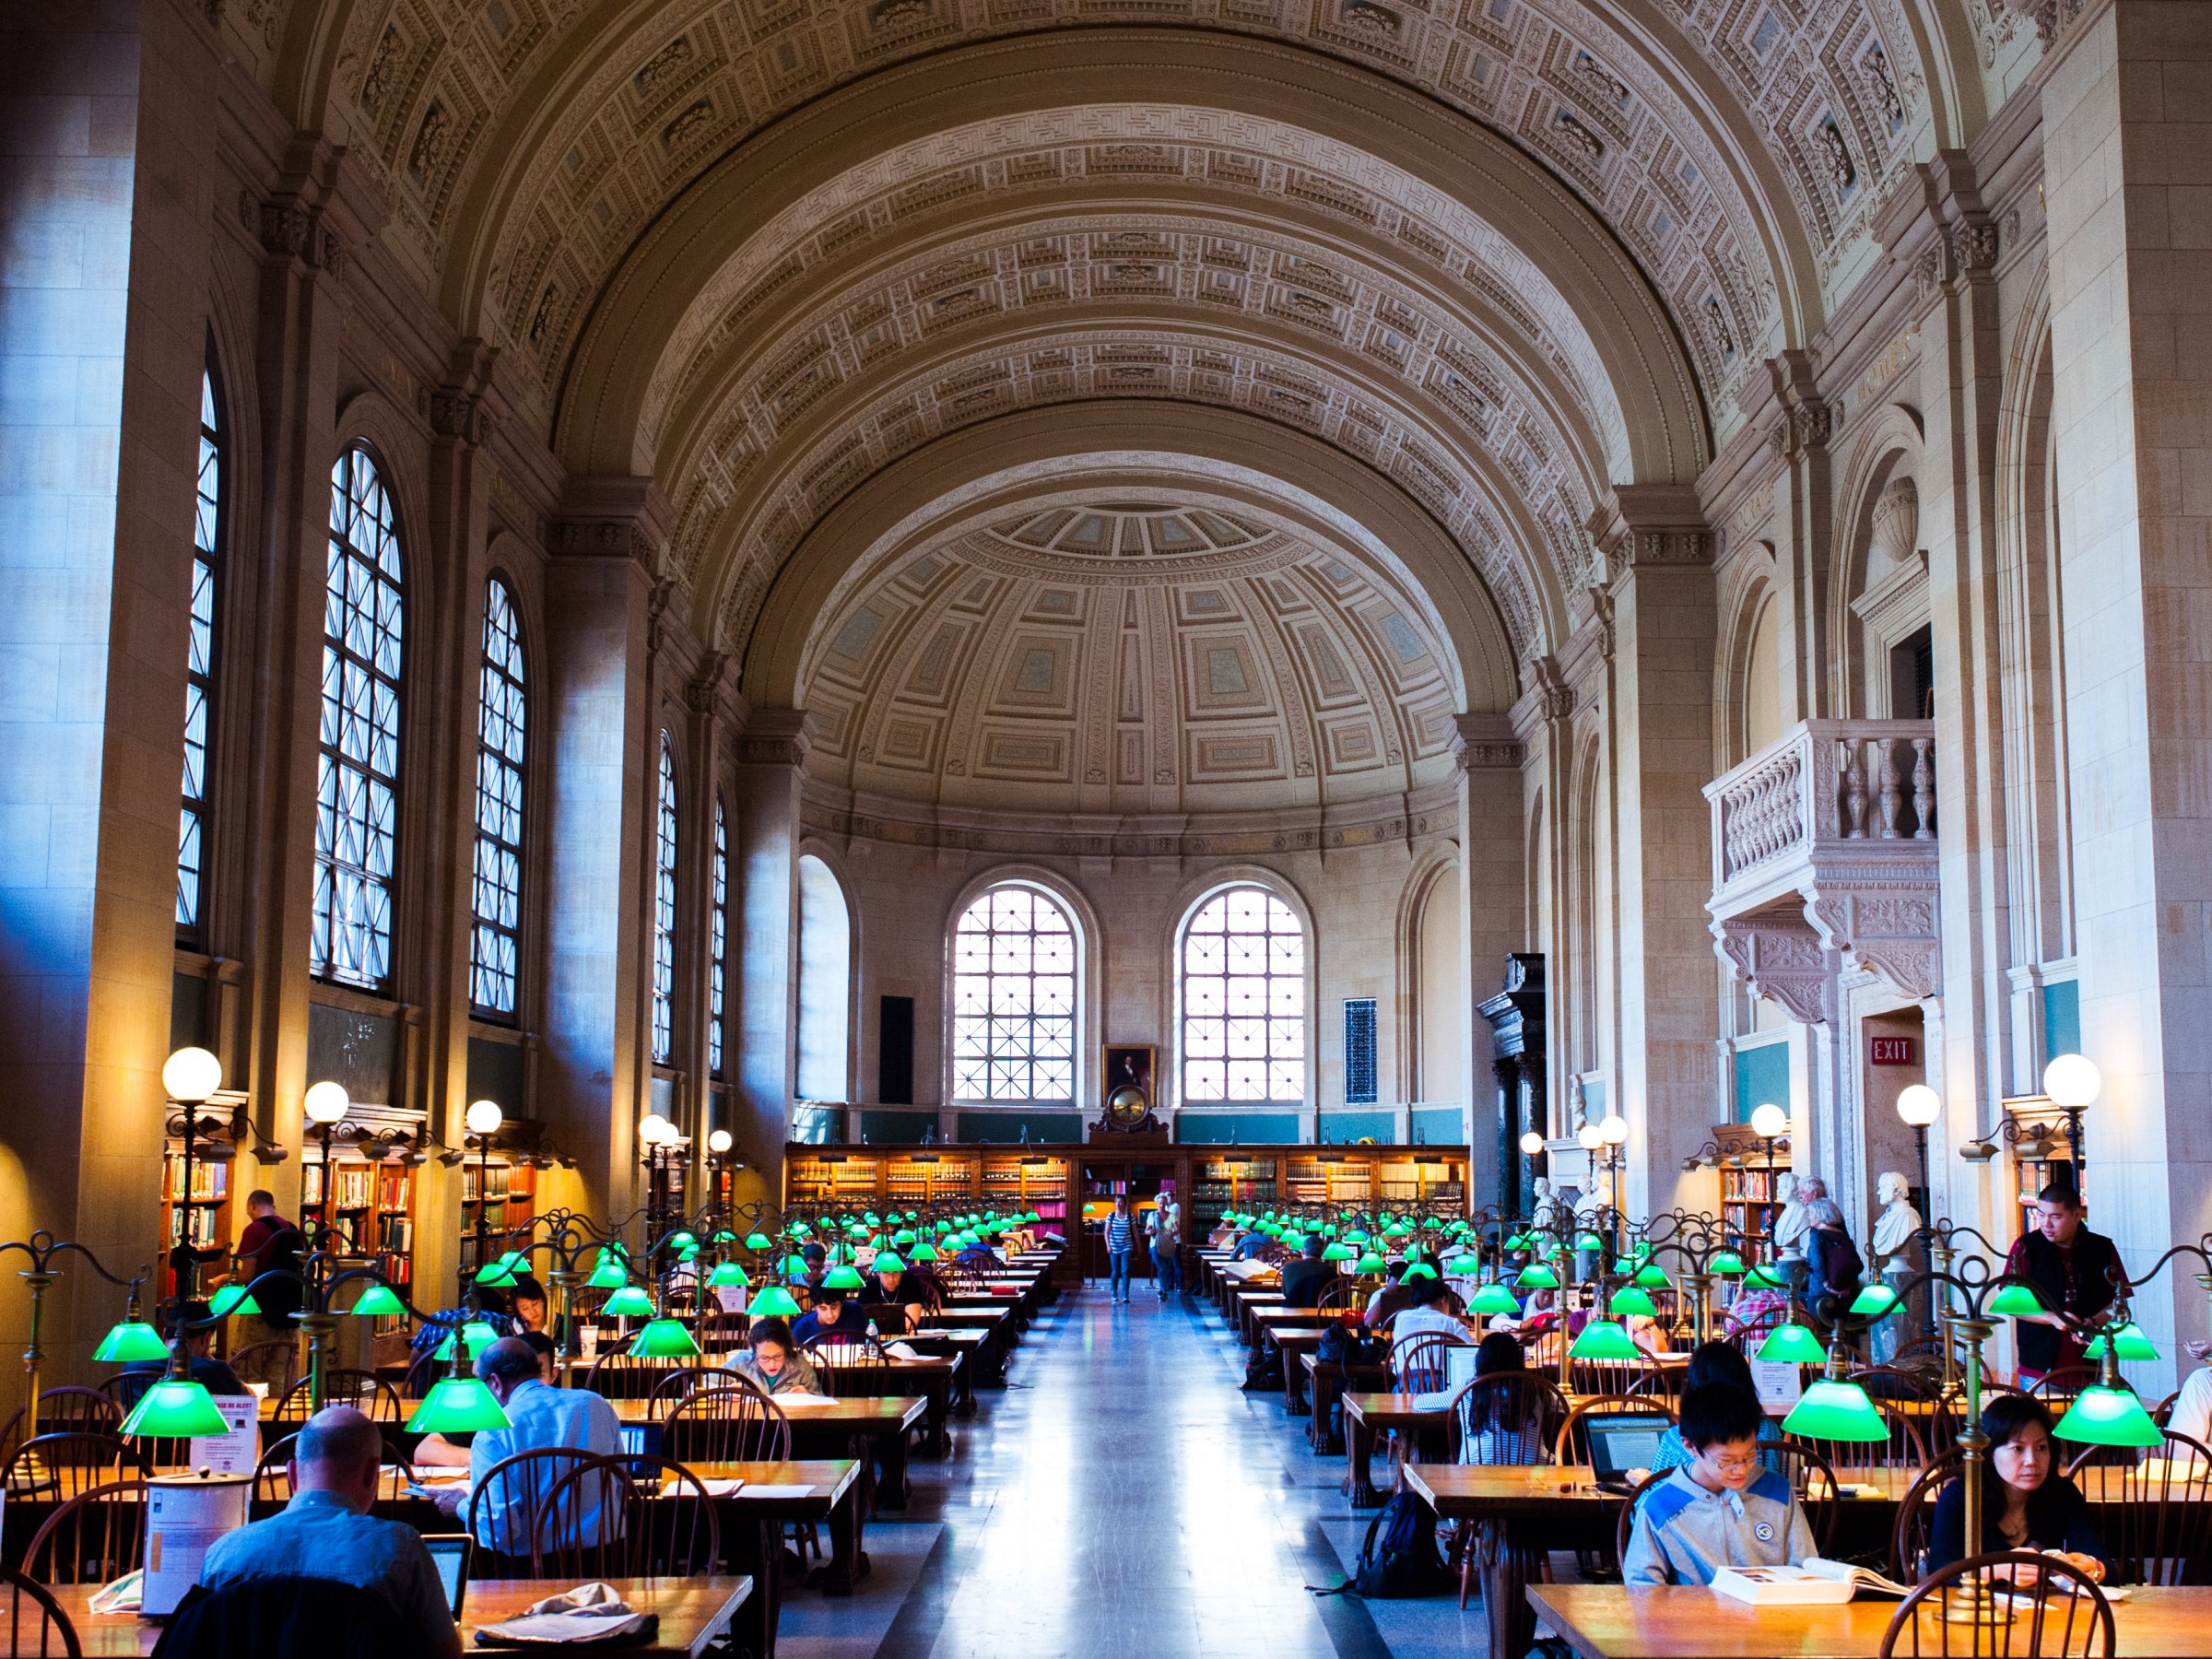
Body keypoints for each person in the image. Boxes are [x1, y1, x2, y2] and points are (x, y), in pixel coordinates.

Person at [200, 1405, 463, 1659]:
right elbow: (445, 1654)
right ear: (373, 1472)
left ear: (292, 1473)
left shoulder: (224, 1554)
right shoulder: (401, 1549)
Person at [433, 1337, 621, 1552]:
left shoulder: (493, 1432)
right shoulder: (596, 1404)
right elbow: (620, 1484)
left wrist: (462, 1506)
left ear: (494, 1382)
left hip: (528, 1569)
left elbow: (498, 1533)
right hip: (607, 1562)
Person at [1621, 1383, 1817, 1585]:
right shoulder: (1661, 1505)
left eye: (1750, 1455)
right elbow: (1641, 1589)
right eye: (1726, 1461)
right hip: (1695, 1615)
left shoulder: (1776, 1490)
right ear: (1690, 1446)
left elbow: (1806, 1569)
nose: (1741, 1469)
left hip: (1771, 1614)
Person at [1926, 1394, 2111, 1579]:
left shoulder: (2062, 1493)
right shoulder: (1962, 1495)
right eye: (2017, 1448)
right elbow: (1939, 1571)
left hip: (2047, 1606)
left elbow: (2107, 1566)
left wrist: (2095, 1570)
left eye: (2041, 1448)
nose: (2031, 1461)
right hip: (1977, 1606)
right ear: (1988, 1452)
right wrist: (1996, 1570)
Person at [2005, 1182, 2124, 1382]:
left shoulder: (2101, 1248)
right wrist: (2051, 1317)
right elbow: (2009, 1303)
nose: (2045, 1224)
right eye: (2041, 1215)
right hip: (2039, 1366)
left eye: (2055, 1217)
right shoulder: (2026, 1247)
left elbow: (2119, 1304)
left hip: (2093, 1367)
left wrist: (2093, 1322)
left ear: (2077, 1216)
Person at [1648, 1341, 1784, 1473]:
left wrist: (1641, 1481)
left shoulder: (1675, 1438)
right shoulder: (1769, 1430)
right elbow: (1776, 1475)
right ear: (1746, 1383)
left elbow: (1654, 1489)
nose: (1740, 1469)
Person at [230, 1190, 303, 1385]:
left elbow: (248, 1275)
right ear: (273, 1206)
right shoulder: (291, 1229)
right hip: (289, 1315)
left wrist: (224, 1280)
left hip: (260, 1313)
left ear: (252, 1205)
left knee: (249, 1373)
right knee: (280, 1377)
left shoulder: (254, 1230)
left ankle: (255, 1416)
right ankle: (276, 1414)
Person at [118, 1299, 248, 1401]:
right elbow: (249, 1402)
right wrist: (210, 1359)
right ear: (208, 1338)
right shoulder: (215, 1370)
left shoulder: (131, 1367)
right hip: (195, 1435)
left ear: (164, 1335)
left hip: (140, 1435)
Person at [1457, 1332, 1545, 1464]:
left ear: (1481, 1360)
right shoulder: (1537, 1388)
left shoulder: (1468, 1388)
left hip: (1476, 1473)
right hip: (1533, 1473)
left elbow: (1421, 1404)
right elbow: (1565, 1403)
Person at [730, 1317, 826, 1398]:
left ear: (787, 1351)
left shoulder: (800, 1364)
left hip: (788, 1419)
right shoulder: (742, 1362)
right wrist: (726, 1393)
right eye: (764, 1358)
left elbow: (822, 1399)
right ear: (755, 1353)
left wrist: (809, 1395)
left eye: (778, 1356)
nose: (772, 1364)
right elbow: (714, 1382)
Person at [1802, 1198, 1864, 1311]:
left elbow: (1817, 1262)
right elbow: (1853, 1263)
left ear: (1819, 1215)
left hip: (1820, 1292)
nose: (1809, 1217)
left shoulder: (1816, 1234)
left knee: (1818, 1327)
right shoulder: (1842, 1234)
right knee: (1841, 1326)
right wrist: (1848, 1288)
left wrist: (1827, 1286)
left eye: (1811, 1214)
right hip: (1845, 1293)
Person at [1387, 1273, 1472, 1346]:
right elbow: (1472, 1353)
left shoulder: (1401, 1318)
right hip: (1440, 1366)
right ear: (1442, 1300)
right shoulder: (1453, 1324)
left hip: (1405, 1365)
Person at [1279, 1235, 1334, 1308]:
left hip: (1293, 1313)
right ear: (1322, 1253)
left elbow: (1285, 1294)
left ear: (1303, 1251)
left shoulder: (1288, 1268)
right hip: (1321, 1314)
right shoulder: (1330, 1271)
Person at [793, 1287, 859, 1346]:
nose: (830, 1315)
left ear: (842, 1303)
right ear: (814, 1307)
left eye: (834, 1307)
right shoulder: (802, 1329)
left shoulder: (854, 1313)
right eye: (823, 1308)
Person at [1147, 1190, 1182, 1298]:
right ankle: (1163, 1290)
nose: (1162, 1205)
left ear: (1166, 1203)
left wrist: (1172, 1234)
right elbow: (1146, 1230)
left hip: (1167, 1245)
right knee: (1161, 1267)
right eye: (1160, 1203)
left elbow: (1177, 1229)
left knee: (1166, 1268)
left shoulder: (1172, 1216)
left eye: (1164, 1203)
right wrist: (1151, 1232)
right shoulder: (1152, 1215)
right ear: (1157, 1203)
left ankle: (1164, 1288)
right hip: (1155, 1244)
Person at [1361, 1262, 1414, 1331]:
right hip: (1385, 1337)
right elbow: (1368, 1323)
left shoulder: (1416, 1295)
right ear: (1388, 1281)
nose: (1402, 1289)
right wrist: (1387, 1292)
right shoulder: (1378, 1294)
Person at [1105, 1195, 1135, 1303]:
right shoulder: (1111, 1216)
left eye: (1120, 1202)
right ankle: (1114, 1292)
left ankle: (1125, 1294)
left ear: (1125, 1204)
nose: (1118, 1204)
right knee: (1115, 1271)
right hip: (1114, 1246)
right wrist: (1108, 1245)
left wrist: (1139, 1246)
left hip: (1127, 1245)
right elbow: (1107, 1232)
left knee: (1125, 1270)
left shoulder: (1130, 1216)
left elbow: (1135, 1232)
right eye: (1116, 1202)